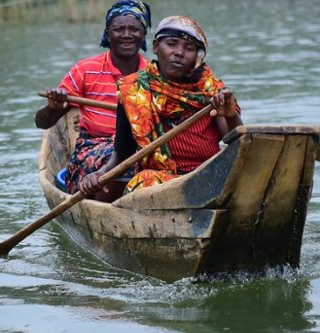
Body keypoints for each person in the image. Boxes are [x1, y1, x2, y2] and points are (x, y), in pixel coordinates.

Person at [79, 15, 243, 200]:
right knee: (143, 180)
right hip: (162, 182)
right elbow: (123, 153)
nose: (179, 53)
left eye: (189, 48)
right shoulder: (133, 90)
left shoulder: (212, 90)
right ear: (156, 47)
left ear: (197, 57)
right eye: (171, 44)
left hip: (207, 176)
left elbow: (238, 142)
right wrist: (99, 174)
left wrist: (231, 115)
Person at [35, 0, 152, 197]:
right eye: (119, 29)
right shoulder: (85, 70)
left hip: (142, 147)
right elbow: (42, 123)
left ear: (143, 35)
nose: (127, 35)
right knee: (124, 158)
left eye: (134, 29)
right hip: (94, 148)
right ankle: (107, 204)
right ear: (107, 34)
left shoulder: (153, 75)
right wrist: (53, 107)